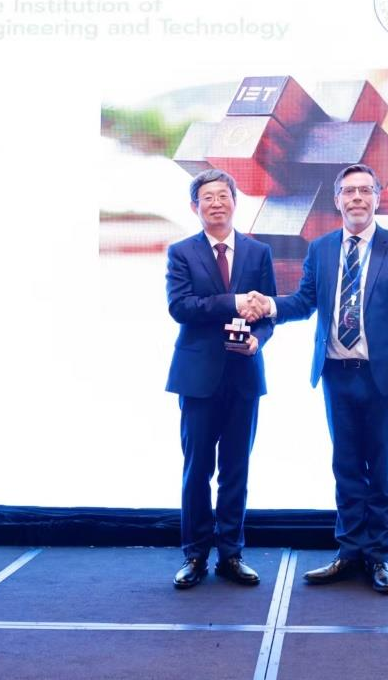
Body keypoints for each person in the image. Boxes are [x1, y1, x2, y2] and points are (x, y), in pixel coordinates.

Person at [250, 163, 388, 593]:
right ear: (337, 200)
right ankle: (349, 552)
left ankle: (378, 558)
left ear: (377, 197)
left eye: (365, 190)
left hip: (384, 379)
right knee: (346, 467)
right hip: (336, 375)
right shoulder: (322, 248)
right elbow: (304, 301)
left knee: (383, 471)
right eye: (349, 191)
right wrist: (269, 306)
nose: (357, 198)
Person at [166, 169, 276, 589]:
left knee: (236, 468)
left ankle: (231, 553)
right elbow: (181, 307)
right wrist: (233, 301)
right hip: (197, 378)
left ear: (234, 201)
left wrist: (259, 339)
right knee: (197, 469)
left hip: (244, 375)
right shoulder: (181, 252)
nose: (216, 203)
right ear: (195, 207)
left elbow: (268, 312)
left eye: (223, 195)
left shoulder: (258, 252)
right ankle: (194, 554)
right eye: (207, 197)